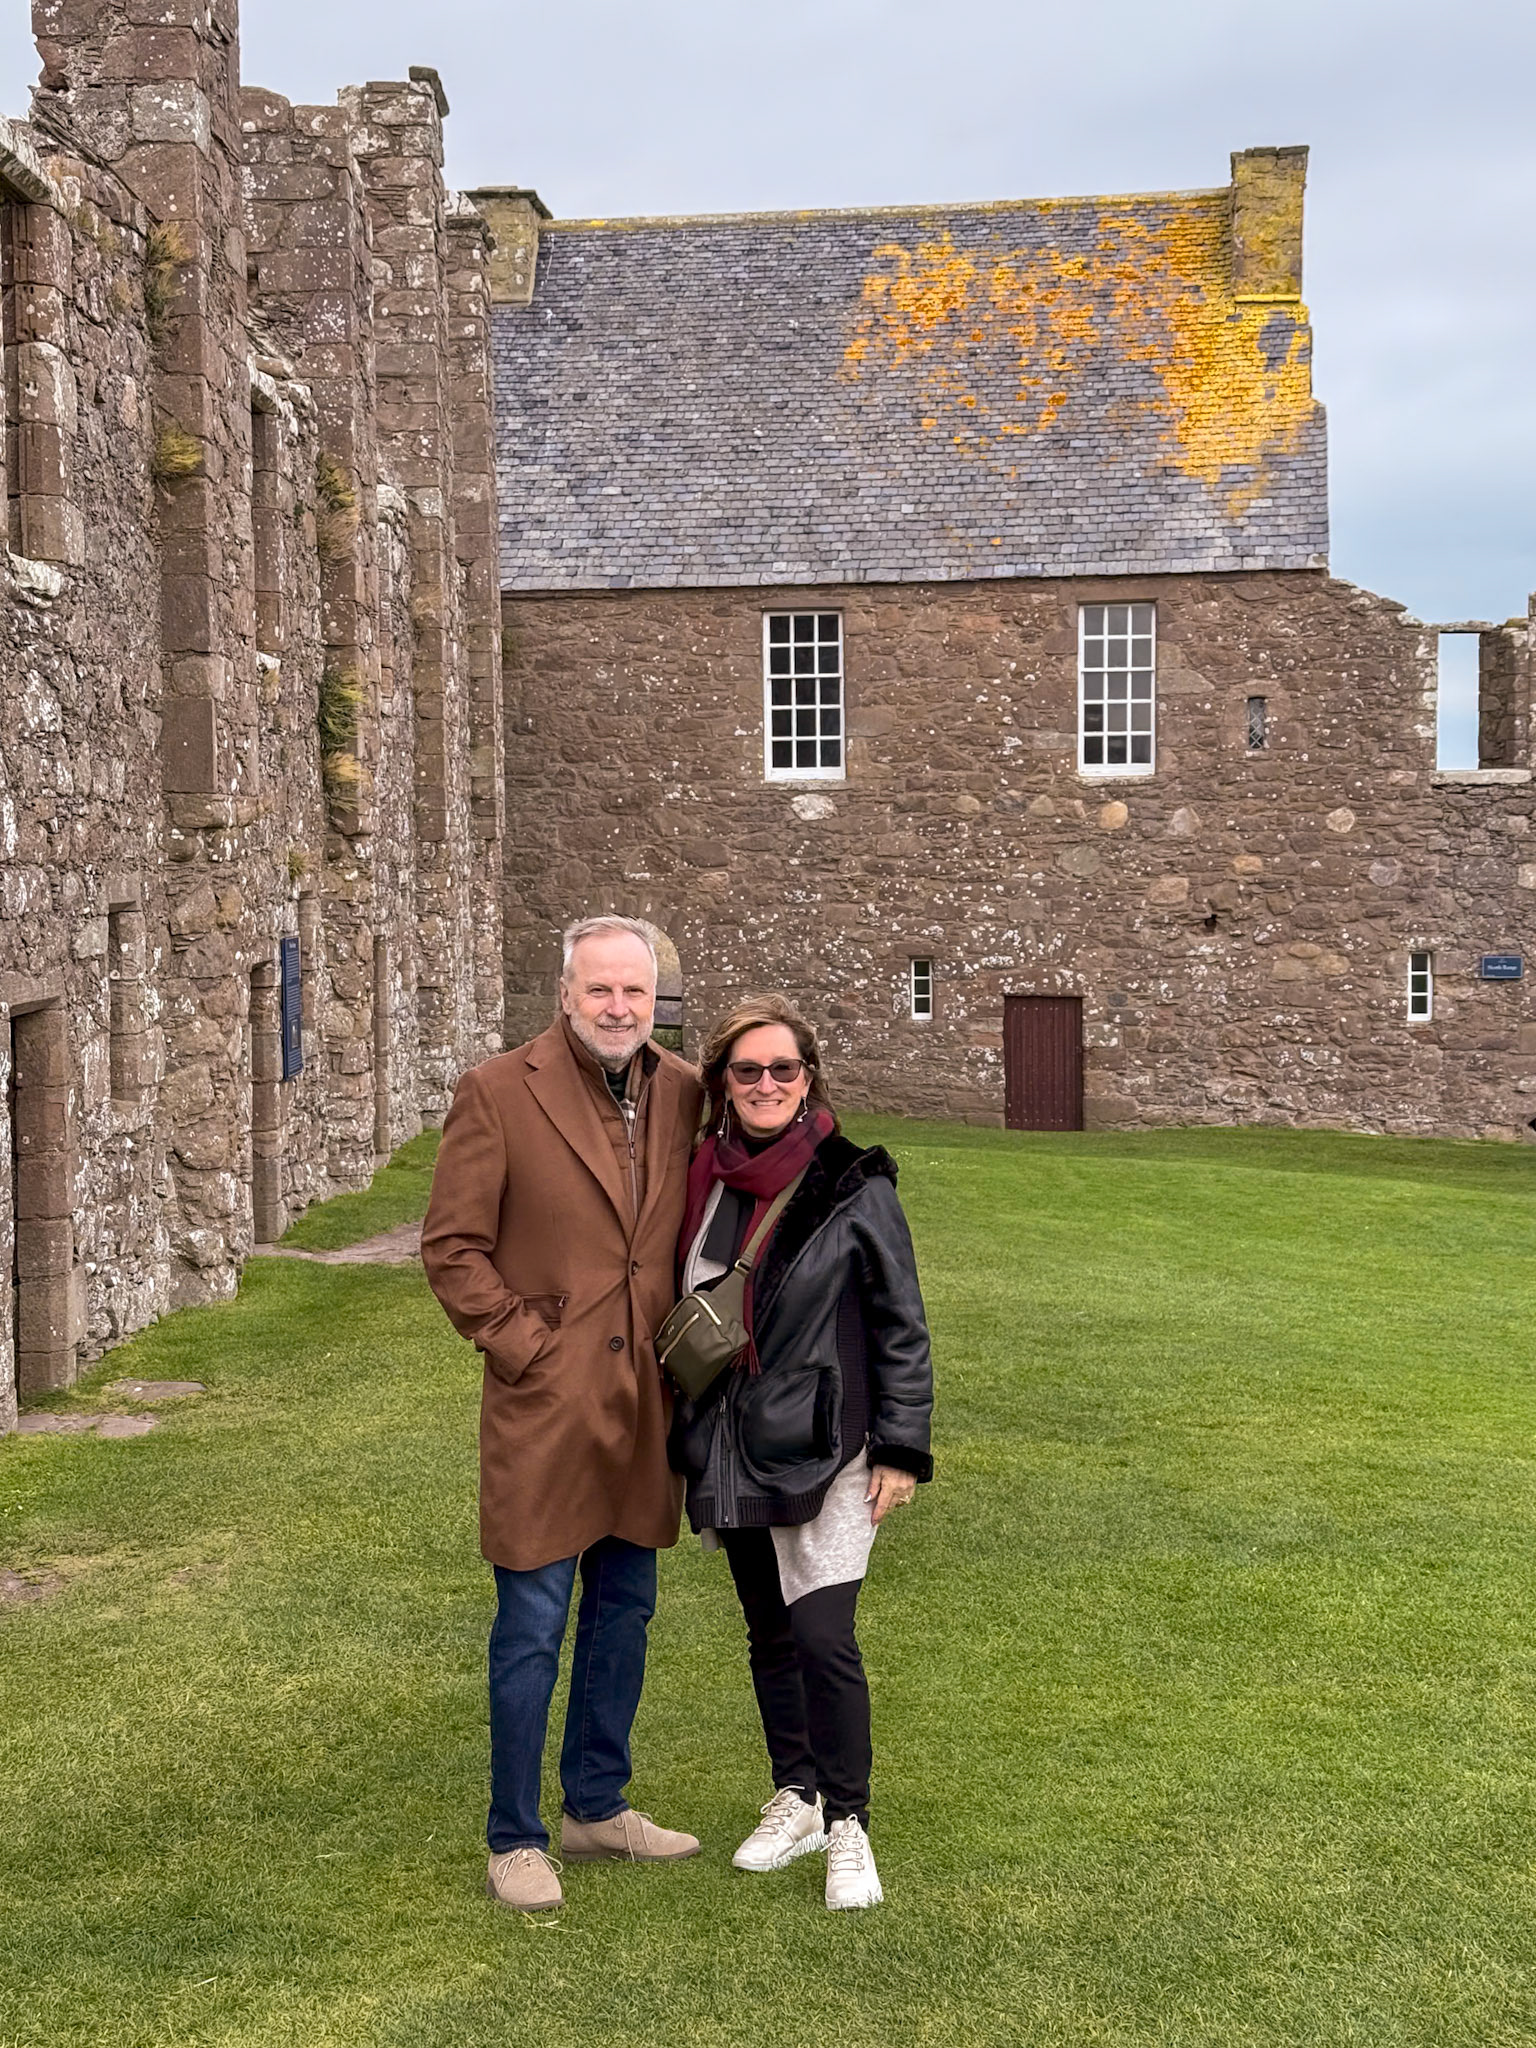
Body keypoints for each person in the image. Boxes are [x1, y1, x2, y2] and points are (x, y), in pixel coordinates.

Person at [421, 914, 705, 1913]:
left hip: (643, 1406)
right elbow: (452, 1247)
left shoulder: (682, 1088)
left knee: (623, 1613)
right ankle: (516, 1834)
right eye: (600, 991)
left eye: (634, 991)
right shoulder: (499, 1091)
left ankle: (596, 1804)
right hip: (544, 1407)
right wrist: (524, 1346)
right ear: (567, 995)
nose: (619, 1007)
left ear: (653, 997)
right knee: (532, 1623)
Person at [669, 994, 933, 1911]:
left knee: (824, 1636)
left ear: (809, 1078)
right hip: (729, 1440)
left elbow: (901, 1323)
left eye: (785, 1069)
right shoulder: (697, 1177)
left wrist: (900, 1446)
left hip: (828, 1442)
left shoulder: (854, 1184)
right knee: (770, 1633)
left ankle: (850, 1823)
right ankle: (800, 1794)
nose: (768, 1084)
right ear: (722, 1084)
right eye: (749, 1071)